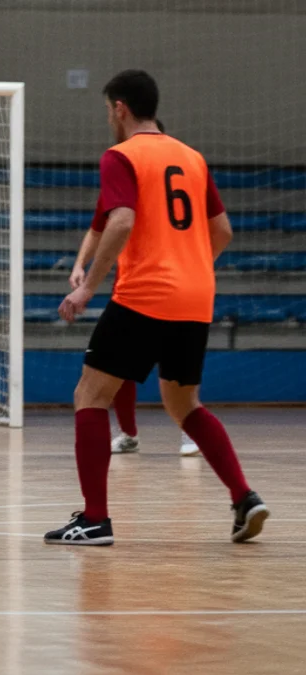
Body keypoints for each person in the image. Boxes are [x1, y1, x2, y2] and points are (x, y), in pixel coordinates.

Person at [46, 70, 267, 546]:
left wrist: (87, 289)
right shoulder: (191, 156)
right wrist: (189, 266)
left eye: (108, 110)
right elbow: (223, 230)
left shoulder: (121, 156)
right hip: (196, 297)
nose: (109, 118)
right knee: (184, 403)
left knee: (90, 395)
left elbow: (121, 221)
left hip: (146, 294)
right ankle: (244, 497)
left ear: (120, 107)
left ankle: (94, 519)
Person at [68, 120, 200, 458]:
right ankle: (129, 434)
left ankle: (190, 433)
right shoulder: (123, 181)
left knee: (173, 375)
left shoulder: (149, 178)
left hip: (159, 286)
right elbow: (99, 228)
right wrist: (79, 264)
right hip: (131, 288)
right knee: (116, 369)